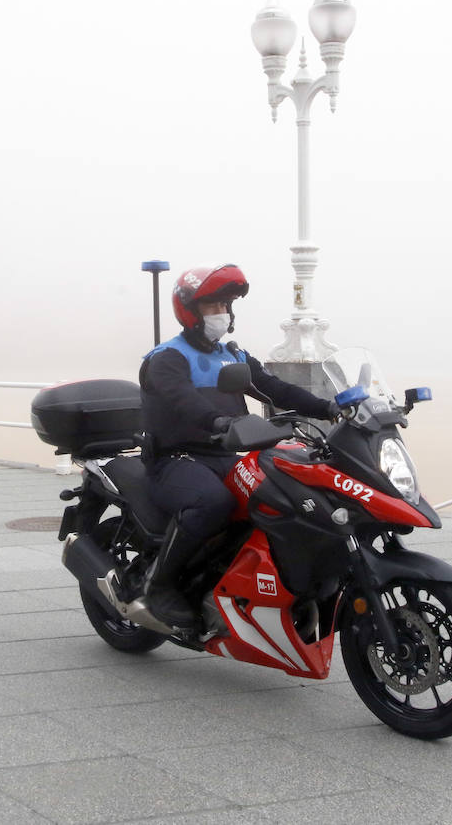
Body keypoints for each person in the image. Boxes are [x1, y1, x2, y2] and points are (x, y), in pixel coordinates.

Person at [138, 264, 338, 628]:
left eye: (226, 306)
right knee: (212, 502)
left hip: (223, 455)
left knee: (281, 495)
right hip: (175, 459)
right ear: (190, 311)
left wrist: (329, 407)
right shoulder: (167, 358)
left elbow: (275, 388)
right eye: (213, 306)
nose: (222, 314)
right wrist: (218, 420)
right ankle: (159, 585)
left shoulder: (232, 354)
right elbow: (184, 400)